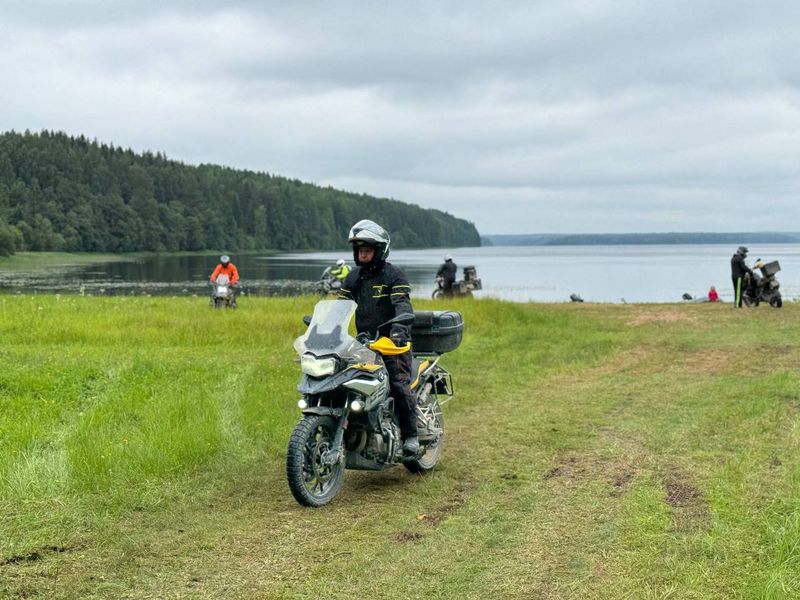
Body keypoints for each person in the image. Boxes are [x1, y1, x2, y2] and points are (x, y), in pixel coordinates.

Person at [338, 219, 419, 455]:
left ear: (380, 250)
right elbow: (339, 307)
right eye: (359, 250)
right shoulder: (353, 278)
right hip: (364, 343)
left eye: (368, 250)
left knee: (397, 384)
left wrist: (398, 331)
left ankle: (410, 437)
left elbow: (403, 305)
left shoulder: (394, 275)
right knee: (342, 382)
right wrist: (327, 328)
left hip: (392, 343)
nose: (363, 254)